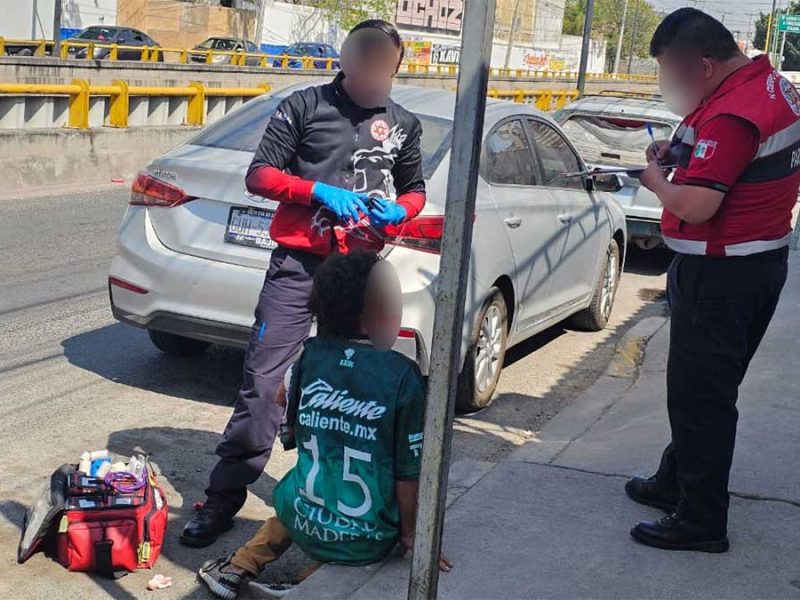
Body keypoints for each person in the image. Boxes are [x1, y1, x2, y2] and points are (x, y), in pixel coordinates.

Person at [181, 19, 426, 547]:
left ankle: (349, 500)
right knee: (264, 382)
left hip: (362, 274)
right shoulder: (304, 106)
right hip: (298, 265)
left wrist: (398, 212)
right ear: (346, 58)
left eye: (384, 64)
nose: (372, 72)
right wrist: (316, 191)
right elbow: (260, 175)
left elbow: (416, 190)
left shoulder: (404, 122)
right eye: (363, 60)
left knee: (357, 388)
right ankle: (223, 498)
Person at [627, 8, 800, 553]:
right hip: (755, 263)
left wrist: (657, 180)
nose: (669, 86)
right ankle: (675, 478)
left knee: (701, 398)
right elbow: (733, 159)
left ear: (701, 65)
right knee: (705, 389)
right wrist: (679, 152)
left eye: (671, 73)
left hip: (722, 271)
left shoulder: (735, 112)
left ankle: (701, 519)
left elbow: (699, 205)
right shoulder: (768, 86)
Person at [197, 252, 451, 599]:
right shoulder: (402, 375)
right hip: (367, 538)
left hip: (302, 513)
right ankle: (305, 583)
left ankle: (236, 568)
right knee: (374, 525)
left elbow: (282, 402)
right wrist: (411, 536)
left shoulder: (310, 354)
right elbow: (410, 474)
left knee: (295, 496)